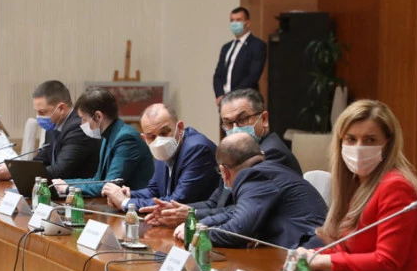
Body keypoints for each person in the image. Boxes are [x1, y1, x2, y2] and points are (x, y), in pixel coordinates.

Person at [298, 100, 417, 271]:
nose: (359, 147)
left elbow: (387, 262)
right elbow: (348, 249)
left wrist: (323, 261)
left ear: (388, 144)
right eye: (351, 139)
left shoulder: (396, 186)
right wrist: (311, 254)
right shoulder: (354, 184)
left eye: (370, 140)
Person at [142, 88, 301, 226]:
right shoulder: (238, 154)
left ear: (264, 119)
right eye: (228, 123)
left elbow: (244, 209)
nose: (235, 128)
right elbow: (216, 202)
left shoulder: (272, 154)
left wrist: (192, 215)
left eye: (243, 119)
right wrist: (175, 210)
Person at [173, 133, 327, 248]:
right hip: (301, 247)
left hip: (309, 251)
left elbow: (237, 231)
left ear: (224, 171)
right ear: (261, 155)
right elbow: (235, 212)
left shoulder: (254, 177)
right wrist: (201, 224)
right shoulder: (267, 171)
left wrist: (196, 234)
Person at [102, 103, 219, 211]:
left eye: (164, 133)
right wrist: (127, 195)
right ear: (144, 139)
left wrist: (126, 203)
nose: (159, 141)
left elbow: (177, 201)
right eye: (151, 137)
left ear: (180, 128)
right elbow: (154, 191)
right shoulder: (161, 150)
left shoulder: (198, 150)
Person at [51, 87, 154, 198]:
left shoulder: (126, 138)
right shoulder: (108, 135)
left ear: (98, 116)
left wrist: (68, 188)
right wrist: (63, 183)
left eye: (84, 119)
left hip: (136, 204)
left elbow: (110, 185)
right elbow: (97, 180)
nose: (81, 124)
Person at [0, 80, 101, 181]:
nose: (38, 117)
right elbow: (41, 161)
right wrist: (12, 169)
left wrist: (15, 173)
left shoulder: (78, 127)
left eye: (42, 112)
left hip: (78, 192)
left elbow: (60, 170)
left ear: (61, 108)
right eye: (37, 112)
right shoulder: (53, 125)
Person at [213, 7, 267, 107]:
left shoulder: (257, 45)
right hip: (225, 102)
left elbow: (253, 76)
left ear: (248, 23)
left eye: (238, 20)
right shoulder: (226, 47)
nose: (234, 23)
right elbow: (218, 75)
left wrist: (231, 96)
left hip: (245, 100)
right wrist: (220, 95)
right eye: (232, 20)